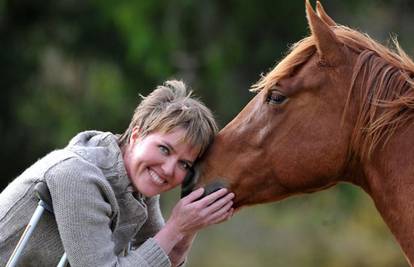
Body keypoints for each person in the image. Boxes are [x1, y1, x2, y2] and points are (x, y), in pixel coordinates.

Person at [0, 80, 234, 267]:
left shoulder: (139, 188)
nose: (168, 169)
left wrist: (187, 231)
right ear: (136, 135)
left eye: (184, 164)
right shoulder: (77, 176)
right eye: (164, 149)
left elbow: (158, 258)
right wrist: (176, 228)